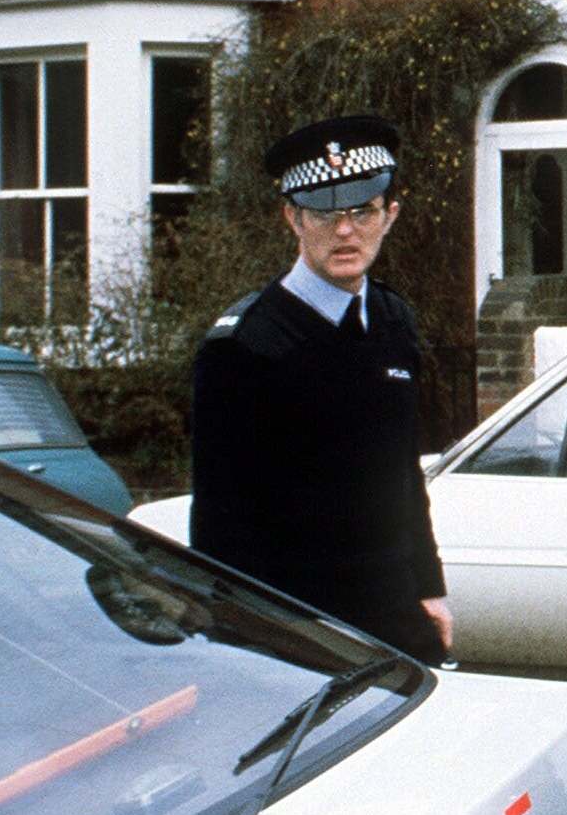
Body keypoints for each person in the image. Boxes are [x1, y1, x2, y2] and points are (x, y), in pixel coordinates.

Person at [189, 114, 451, 664]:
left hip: (395, 617)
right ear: (293, 218)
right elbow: (221, 529)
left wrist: (429, 587)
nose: (346, 231)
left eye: (363, 211)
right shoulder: (245, 347)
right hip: (299, 633)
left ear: (390, 215)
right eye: (325, 214)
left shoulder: (393, 318)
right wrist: (245, 646)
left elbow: (404, 474)